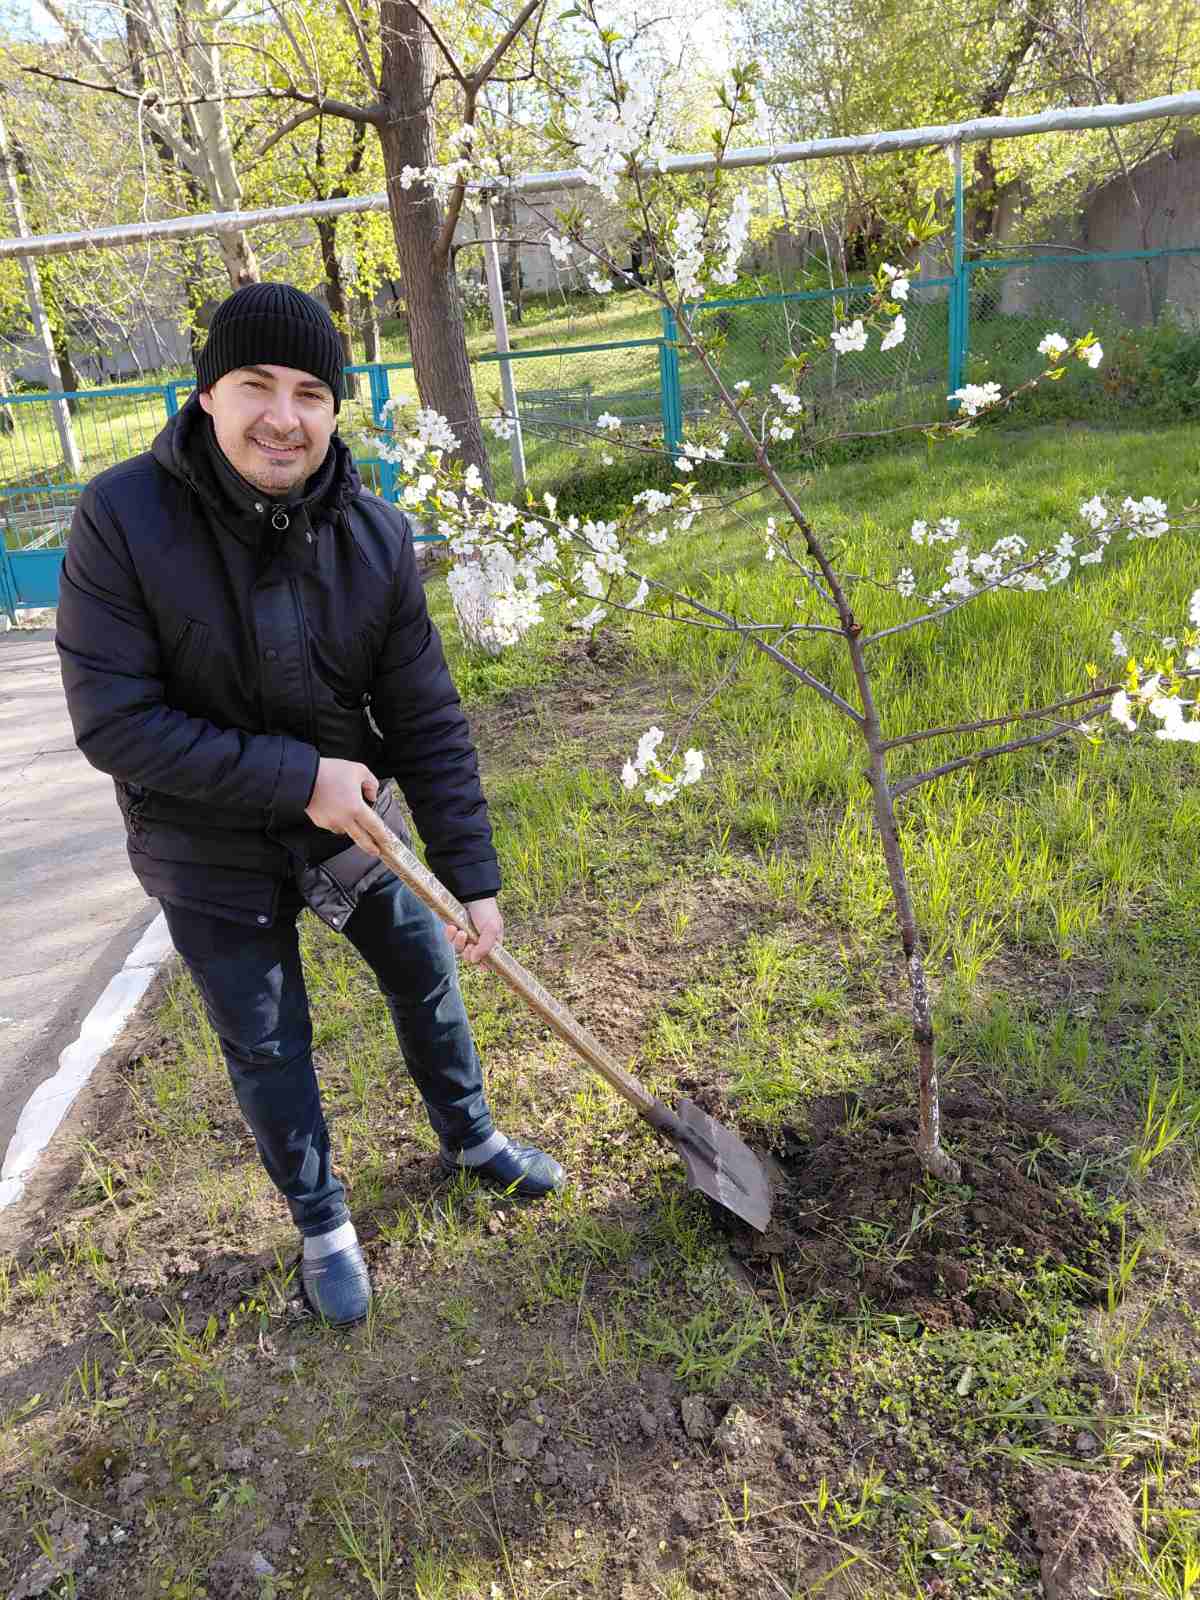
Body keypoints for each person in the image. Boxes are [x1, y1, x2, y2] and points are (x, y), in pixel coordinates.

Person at [56, 282, 564, 1327]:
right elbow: (114, 723)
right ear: (206, 396)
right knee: (268, 1037)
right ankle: (323, 1221)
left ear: (336, 410)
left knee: (427, 976)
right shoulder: (122, 519)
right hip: (203, 842)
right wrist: (299, 777)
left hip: (355, 827)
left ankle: (470, 1139)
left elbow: (426, 716)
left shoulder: (372, 536)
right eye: (255, 386)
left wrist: (473, 879)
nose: (283, 416)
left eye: (309, 393)